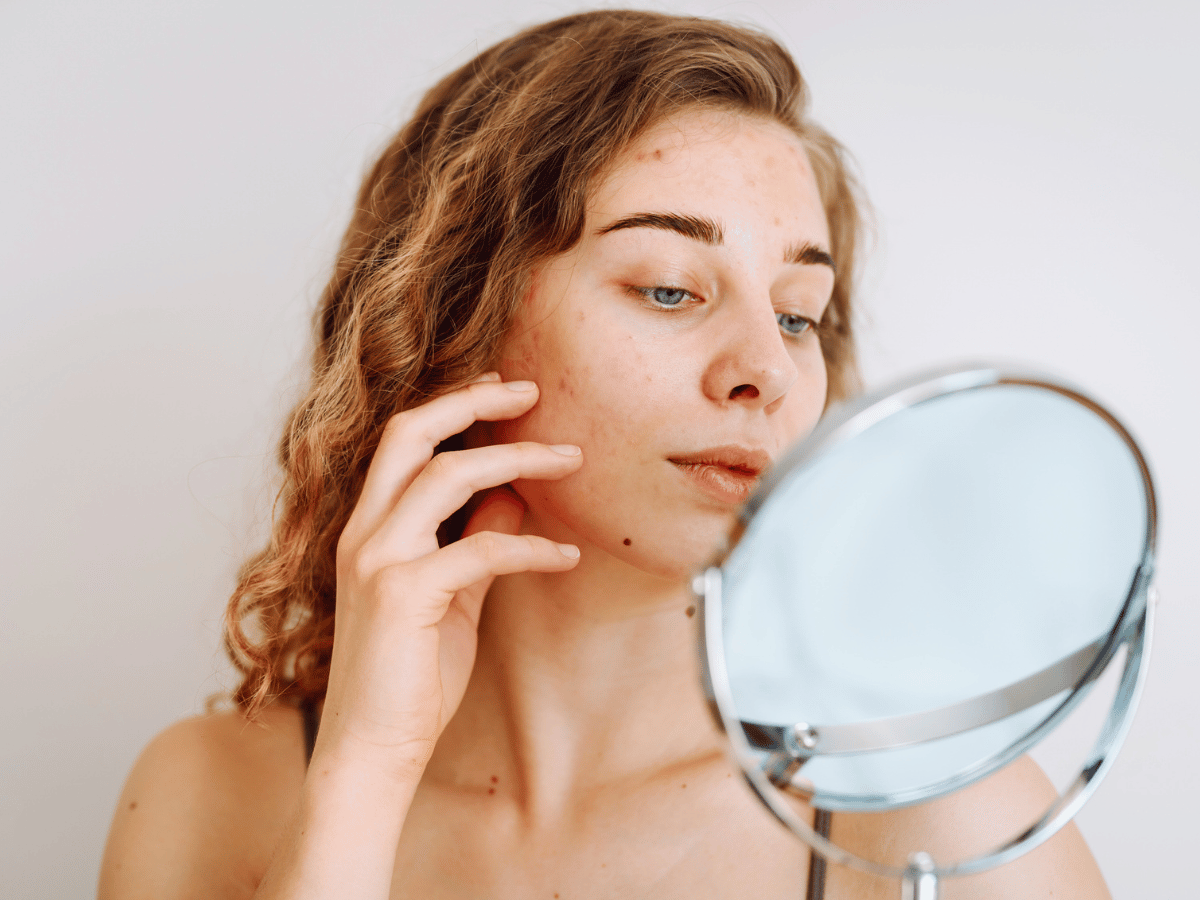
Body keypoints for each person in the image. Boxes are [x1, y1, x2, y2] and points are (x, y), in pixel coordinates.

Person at [97, 9, 1111, 899]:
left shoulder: (942, 824)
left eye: (798, 314)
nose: (766, 369)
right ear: (457, 321)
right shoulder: (213, 799)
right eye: (669, 288)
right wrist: (366, 771)